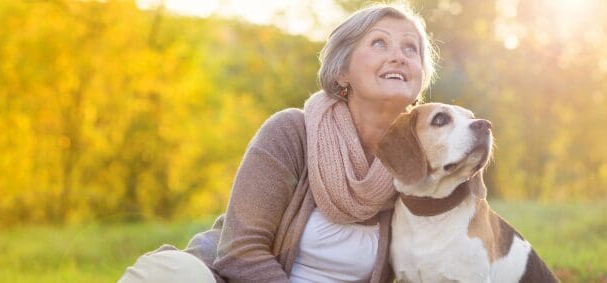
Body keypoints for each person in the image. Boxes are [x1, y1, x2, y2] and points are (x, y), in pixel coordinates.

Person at [119, 3, 437, 282]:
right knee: (172, 274)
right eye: (380, 43)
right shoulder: (292, 132)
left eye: (410, 49)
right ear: (342, 72)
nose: (398, 56)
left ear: (420, 76)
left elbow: (456, 247)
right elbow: (241, 250)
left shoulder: (427, 159)